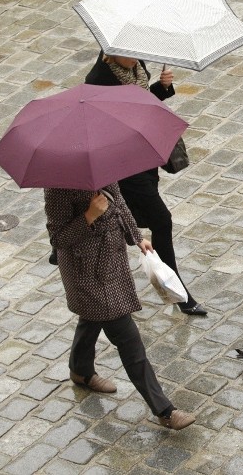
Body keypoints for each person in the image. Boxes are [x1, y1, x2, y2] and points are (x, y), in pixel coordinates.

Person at [45, 184, 195, 430]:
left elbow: (120, 203)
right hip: (85, 274)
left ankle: (80, 370)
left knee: (92, 317)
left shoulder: (102, 168)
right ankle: (164, 410)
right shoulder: (57, 189)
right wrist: (89, 216)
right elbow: (58, 239)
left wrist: (136, 237)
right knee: (128, 340)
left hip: (111, 264)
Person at [83, 51, 206, 315]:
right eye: (128, 55)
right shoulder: (98, 81)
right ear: (111, 54)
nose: (135, 59)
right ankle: (179, 292)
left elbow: (140, 102)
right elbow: (101, 123)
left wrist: (161, 89)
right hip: (124, 162)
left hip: (144, 154)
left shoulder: (134, 68)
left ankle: (113, 227)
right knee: (162, 219)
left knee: (137, 214)